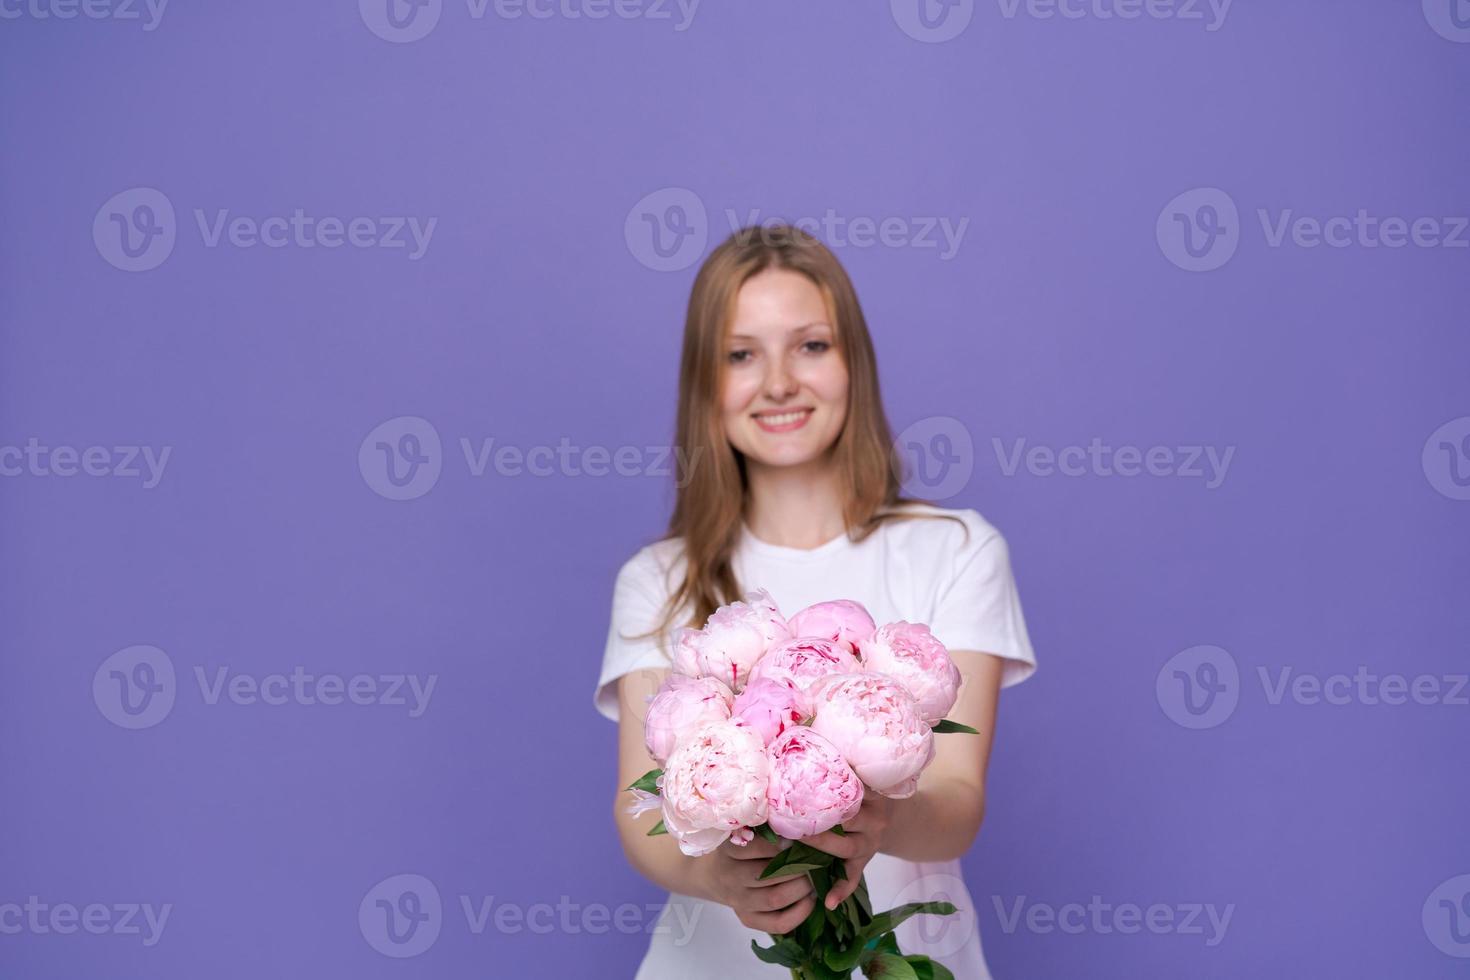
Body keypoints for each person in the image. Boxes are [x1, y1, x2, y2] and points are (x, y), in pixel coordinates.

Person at [592, 224, 1037, 978]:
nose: (778, 383)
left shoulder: (957, 550)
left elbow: (958, 801)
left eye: (811, 345)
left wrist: (877, 817)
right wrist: (716, 879)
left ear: (852, 362)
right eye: (740, 354)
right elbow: (639, 815)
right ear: (705, 382)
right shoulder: (658, 579)